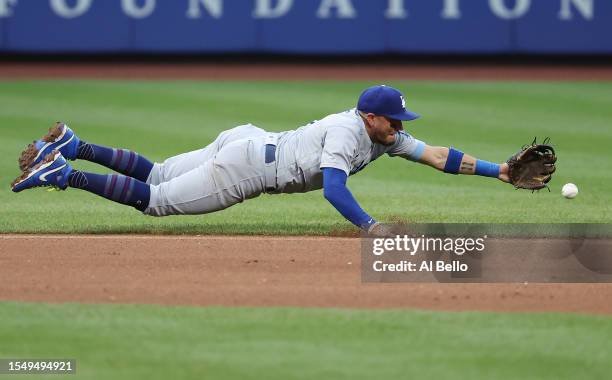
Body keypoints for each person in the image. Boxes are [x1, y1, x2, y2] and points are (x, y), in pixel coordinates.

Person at [11, 85, 510, 234]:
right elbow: (335, 189)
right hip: (248, 167)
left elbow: (439, 156)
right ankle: (67, 171)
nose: (401, 128)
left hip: (250, 140)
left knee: (160, 172)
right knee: (158, 200)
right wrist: (371, 228)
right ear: (369, 117)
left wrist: (500, 171)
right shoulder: (345, 134)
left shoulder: (380, 136)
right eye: (394, 120)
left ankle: (74, 144)